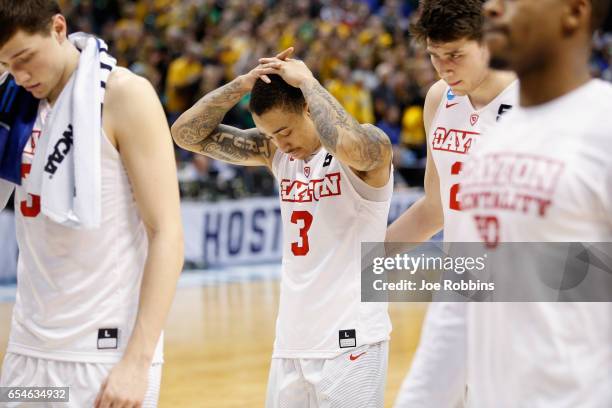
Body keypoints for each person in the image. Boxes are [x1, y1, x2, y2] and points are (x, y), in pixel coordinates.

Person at [171, 48, 394, 407]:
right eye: (271, 135)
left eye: (285, 131)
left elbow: (348, 144)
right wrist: (240, 86)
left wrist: (307, 82)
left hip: (351, 338)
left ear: (308, 107)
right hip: (292, 339)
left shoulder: (369, 148)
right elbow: (185, 134)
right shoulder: (275, 153)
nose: (281, 144)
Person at [0, 1, 184, 407]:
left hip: (103, 356)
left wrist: (139, 360)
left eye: (26, 58)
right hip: (27, 352)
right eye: (7, 65)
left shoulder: (125, 95)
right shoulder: (12, 105)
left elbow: (167, 233)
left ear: (58, 28)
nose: (20, 75)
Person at [455, 0, 612, 406]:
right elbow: (462, 297)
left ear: (574, 13)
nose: (491, 7)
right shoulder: (490, 144)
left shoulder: (603, 127)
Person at [386, 1, 517, 406]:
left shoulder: (536, 102)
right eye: (434, 56)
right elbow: (434, 208)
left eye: (455, 55)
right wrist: (362, 256)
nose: (444, 67)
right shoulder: (439, 99)